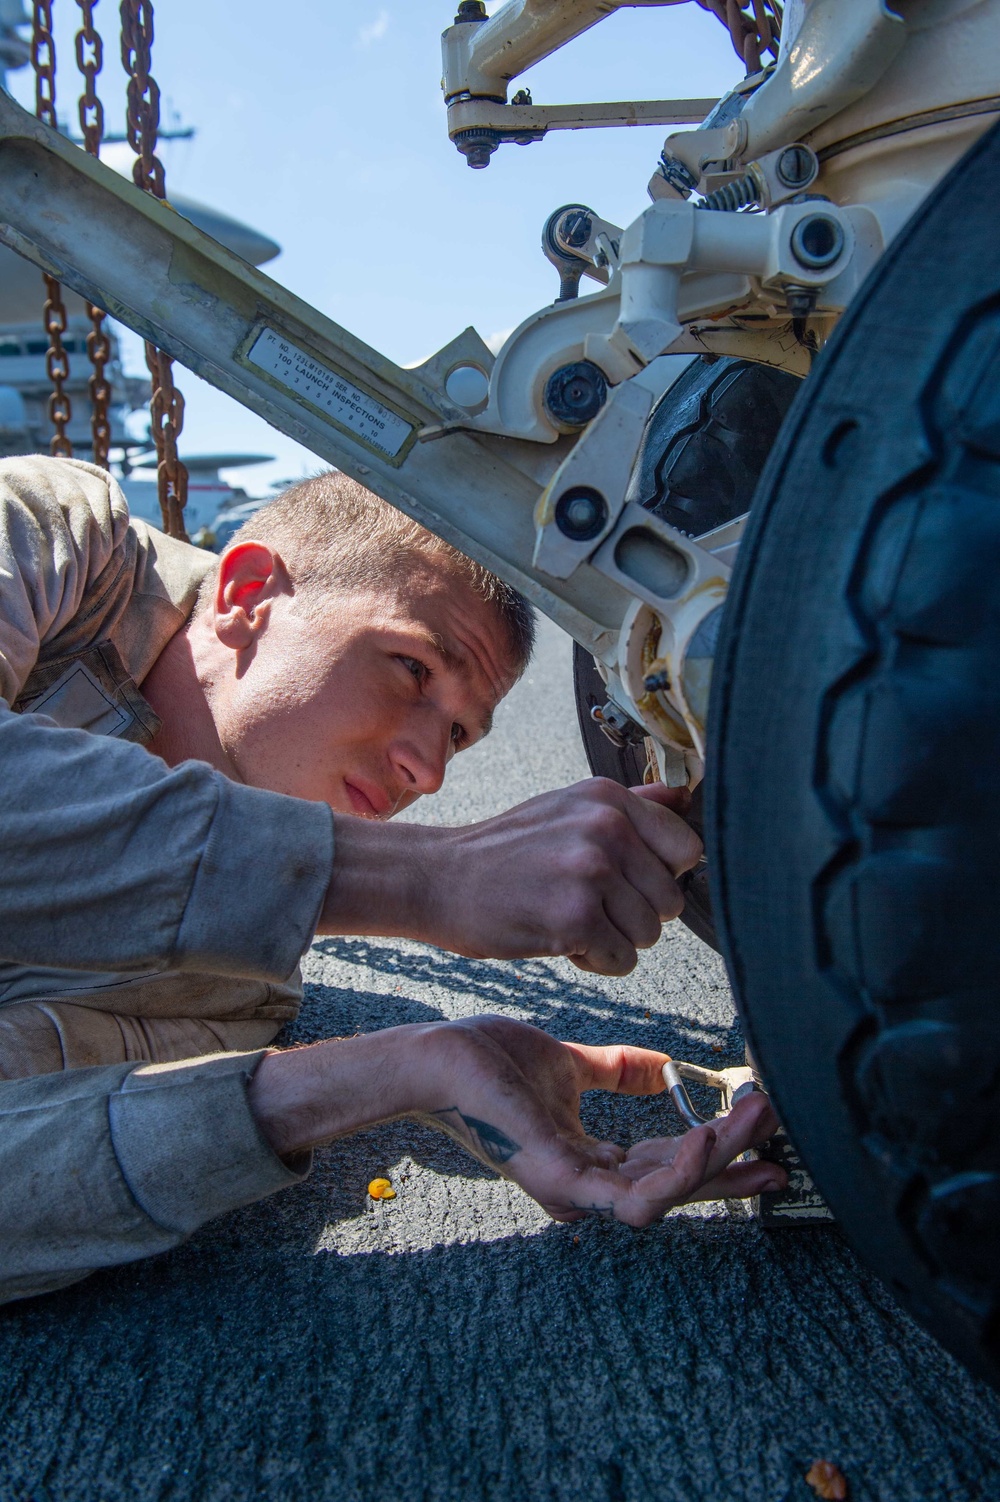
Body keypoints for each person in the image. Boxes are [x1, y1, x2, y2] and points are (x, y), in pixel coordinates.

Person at [0, 454, 784, 1304]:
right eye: (411, 668)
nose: (428, 773)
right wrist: (427, 879)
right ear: (248, 594)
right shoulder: (62, 539)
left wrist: (399, 1072)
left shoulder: (239, 1000)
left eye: (458, 737)